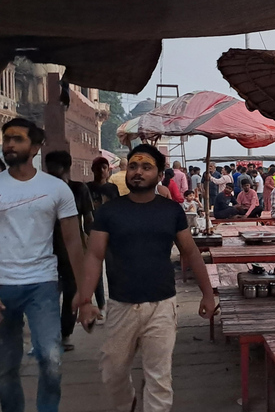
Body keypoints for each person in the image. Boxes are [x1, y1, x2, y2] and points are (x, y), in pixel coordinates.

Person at [76, 143, 216, 412]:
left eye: (146, 167)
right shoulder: (109, 212)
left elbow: (191, 252)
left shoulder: (171, 211)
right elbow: (94, 256)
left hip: (161, 305)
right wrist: (85, 300)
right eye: (134, 166)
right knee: (112, 372)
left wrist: (208, 295)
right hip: (120, 305)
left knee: (159, 378)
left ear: (160, 174)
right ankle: (128, 404)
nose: (138, 172)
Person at [0, 118, 87, 412]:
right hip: (2, 286)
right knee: (5, 368)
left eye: (17, 139)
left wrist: (84, 293)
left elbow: (74, 242)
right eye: (6, 139)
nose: (9, 144)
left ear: (35, 147)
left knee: (51, 359)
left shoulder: (56, 190)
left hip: (42, 284)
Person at [45, 150, 95, 352]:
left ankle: (64, 333)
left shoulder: (77, 189)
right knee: (49, 294)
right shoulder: (45, 190)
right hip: (48, 250)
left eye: (53, 168)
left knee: (70, 291)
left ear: (64, 167)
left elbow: (89, 219)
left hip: (68, 250)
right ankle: (53, 334)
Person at [87, 156, 117, 321]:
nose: (101, 171)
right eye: (98, 168)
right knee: (96, 272)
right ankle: (101, 306)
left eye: (104, 167)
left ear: (108, 170)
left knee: (112, 270)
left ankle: (113, 304)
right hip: (92, 234)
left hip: (111, 234)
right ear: (93, 170)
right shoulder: (87, 188)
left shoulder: (112, 189)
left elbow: (118, 211)